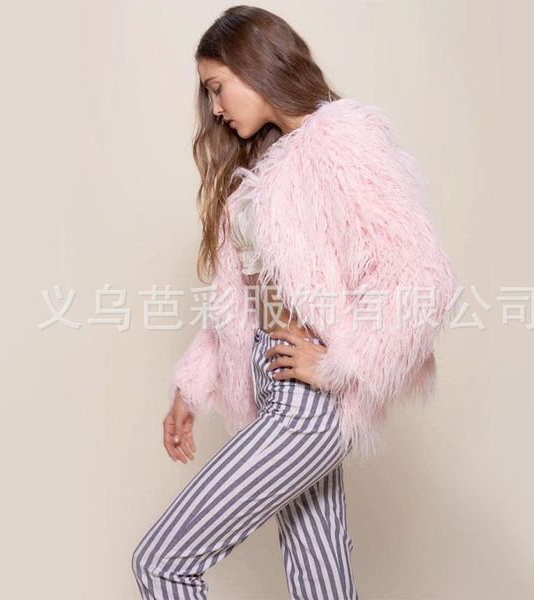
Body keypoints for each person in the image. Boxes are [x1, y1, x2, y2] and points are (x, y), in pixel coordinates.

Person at [132, 6, 459, 599]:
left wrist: (340, 363)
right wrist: (189, 389)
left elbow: (421, 278)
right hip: (274, 386)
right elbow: (239, 305)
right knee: (320, 582)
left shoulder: (342, 141)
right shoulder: (267, 165)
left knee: (162, 562)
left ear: (254, 65)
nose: (214, 109)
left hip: (308, 402)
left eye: (217, 88)